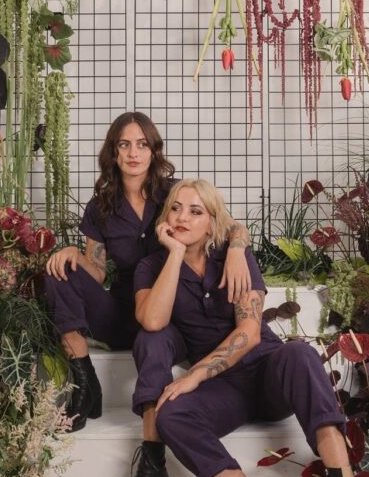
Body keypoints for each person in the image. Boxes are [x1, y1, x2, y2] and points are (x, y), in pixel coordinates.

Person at [128, 179, 367, 477]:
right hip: (225, 391)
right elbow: (153, 321)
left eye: (196, 211)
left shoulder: (233, 256)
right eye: (176, 209)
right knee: (171, 416)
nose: (183, 217)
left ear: (212, 222)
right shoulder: (150, 267)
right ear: (164, 217)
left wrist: (195, 375)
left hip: (268, 372)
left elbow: (250, 333)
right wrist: (173, 253)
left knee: (300, 353)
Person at [43, 111, 253, 437]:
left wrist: (237, 249)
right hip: (122, 315)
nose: (133, 153)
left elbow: (230, 224)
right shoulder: (100, 207)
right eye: (124, 145)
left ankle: (154, 438)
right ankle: (84, 382)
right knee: (58, 273)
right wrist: (72, 254)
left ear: (153, 150)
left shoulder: (174, 195)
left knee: (155, 336)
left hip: (171, 317)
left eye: (142, 144)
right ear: (113, 153)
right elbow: (97, 272)